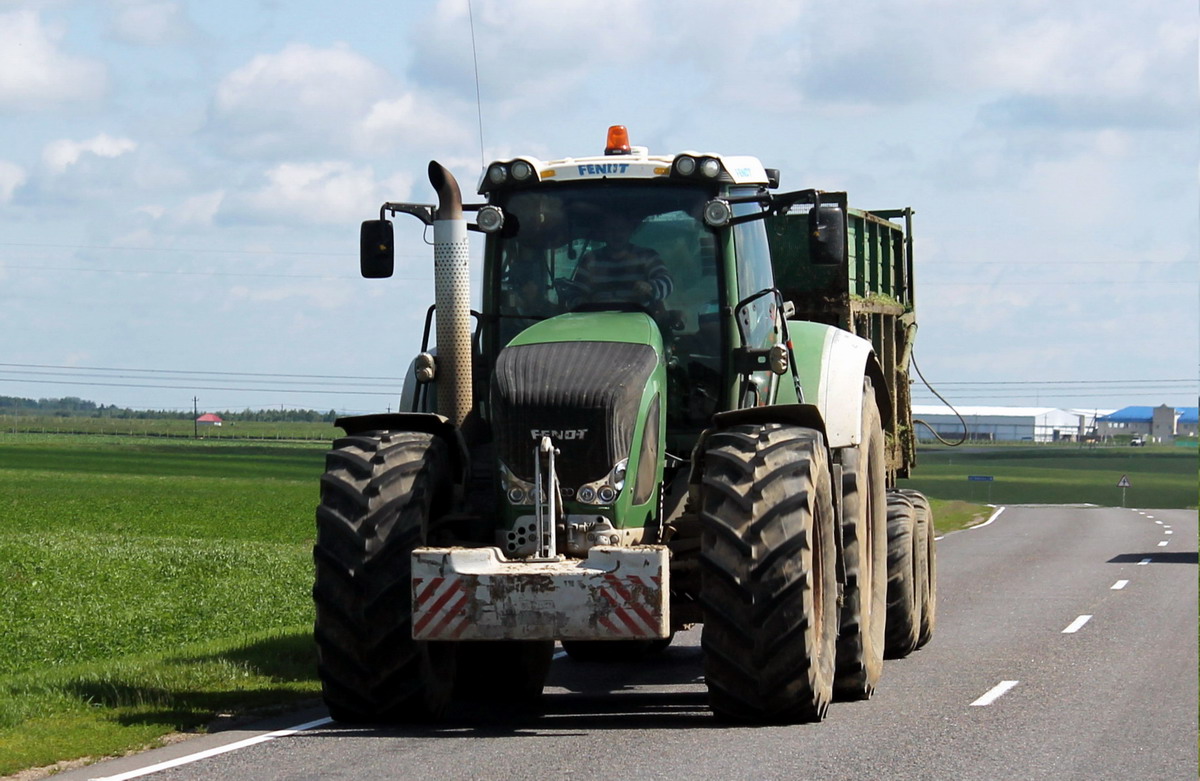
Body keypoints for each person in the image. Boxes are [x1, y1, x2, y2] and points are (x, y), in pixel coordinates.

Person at [565, 212, 673, 308]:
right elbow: (574, 294)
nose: (617, 234)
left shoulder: (647, 256)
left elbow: (667, 282)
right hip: (598, 322)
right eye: (611, 229)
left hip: (641, 322)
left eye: (622, 229)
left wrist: (650, 287)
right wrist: (583, 303)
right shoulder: (590, 260)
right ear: (603, 232)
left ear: (630, 230)